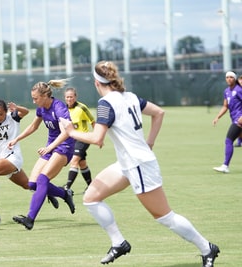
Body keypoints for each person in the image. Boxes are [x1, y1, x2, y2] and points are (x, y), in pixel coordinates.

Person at [59, 61, 219, 267]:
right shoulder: (130, 96)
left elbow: (98, 138)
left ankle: (207, 248)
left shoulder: (106, 103)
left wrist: (71, 132)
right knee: (91, 198)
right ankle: (119, 243)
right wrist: (149, 142)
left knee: (165, 217)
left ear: (97, 82)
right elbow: (158, 112)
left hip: (139, 165)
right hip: (128, 163)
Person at [0, 100, 59, 211]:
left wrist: (17, 107)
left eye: (1, 114)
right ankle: (48, 192)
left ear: (6, 111)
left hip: (13, 157)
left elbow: (26, 112)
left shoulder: (12, 117)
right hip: (1, 159)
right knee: (28, 185)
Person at [9, 79, 76, 230]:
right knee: (32, 184)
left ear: (45, 96)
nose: (34, 102)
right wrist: (16, 139)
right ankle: (65, 194)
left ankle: (30, 219)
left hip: (64, 146)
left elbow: (66, 132)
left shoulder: (58, 108)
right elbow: (33, 126)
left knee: (42, 179)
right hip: (51, 147)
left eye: (35, 98)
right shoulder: (41, 109)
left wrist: (49, 148)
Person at [63, 87, 95, 192]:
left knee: (74, 161)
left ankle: (67, 187)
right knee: (82, 163)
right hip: (72, 140)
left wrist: (96, 136)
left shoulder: (82, 108)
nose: (69, 99)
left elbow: (93, 121)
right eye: (67, 97)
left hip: (83, 138)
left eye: (71, 97)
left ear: (75, 97)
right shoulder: (63, 109)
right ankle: (91, 186)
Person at [212, 71, 242, 173]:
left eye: (231, 77)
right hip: (234, 119)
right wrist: (218, 117)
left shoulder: (239, 90)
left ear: (235, 79)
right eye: (227, 77)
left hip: (239, 120)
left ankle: (225, 166)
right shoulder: (226, 91)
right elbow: (225, 106)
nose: (229, 79)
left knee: (229, 140)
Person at [233, 74, 242, 147]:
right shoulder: (236, 90)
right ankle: (239, 141)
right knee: (238, 126)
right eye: (240, 79)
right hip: (237, 112)